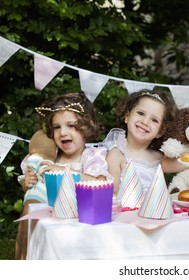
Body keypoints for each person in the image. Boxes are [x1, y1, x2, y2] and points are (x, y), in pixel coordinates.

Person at [16, 91, 111, 260]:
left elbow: (99, 181)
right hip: (47, 222)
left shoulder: (91, 156)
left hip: (79, 222)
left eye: (71, 126)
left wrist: (62, 171)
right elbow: (32, 192)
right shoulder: (49, 158)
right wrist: (28, 182)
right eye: (57, 127)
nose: (63, 132)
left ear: (86, 128)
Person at [102, 89, 177, 196]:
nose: (145, 122)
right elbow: (112, 194)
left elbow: (185, 163)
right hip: (125, 210)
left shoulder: (160, 157)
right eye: (141, 113)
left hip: (155, 211)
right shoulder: (116, 155)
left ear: (160, 132)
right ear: (127, 116)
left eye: (154, 120)